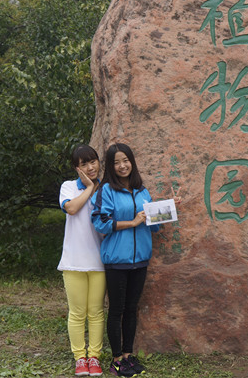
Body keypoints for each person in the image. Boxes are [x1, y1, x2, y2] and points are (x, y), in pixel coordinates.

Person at [91, 143, 181, 377]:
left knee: (132, 309)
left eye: (126, 160)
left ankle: (128, 356)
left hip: (140, 259)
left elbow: (153, 224)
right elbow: (100, 222)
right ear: (111, 166)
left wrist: (169, 207)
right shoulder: (106, 190)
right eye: (116, 162)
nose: (122, 166)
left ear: (132, 161)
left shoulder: (142, 190)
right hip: (117, 260)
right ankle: (117, 359)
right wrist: (131, 222)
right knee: (117, 310)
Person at [58, 144, 105, 376]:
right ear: (77, 168)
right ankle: (80, 358)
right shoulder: (68, 187)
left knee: (95, 311)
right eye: (84, 164)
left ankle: (94, 357)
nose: (90, 167)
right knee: (77, 312)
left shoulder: (107, 189)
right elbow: (72, 208)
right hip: (73, 261)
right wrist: (89, 187)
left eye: (93, 161)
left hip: (100, 261)